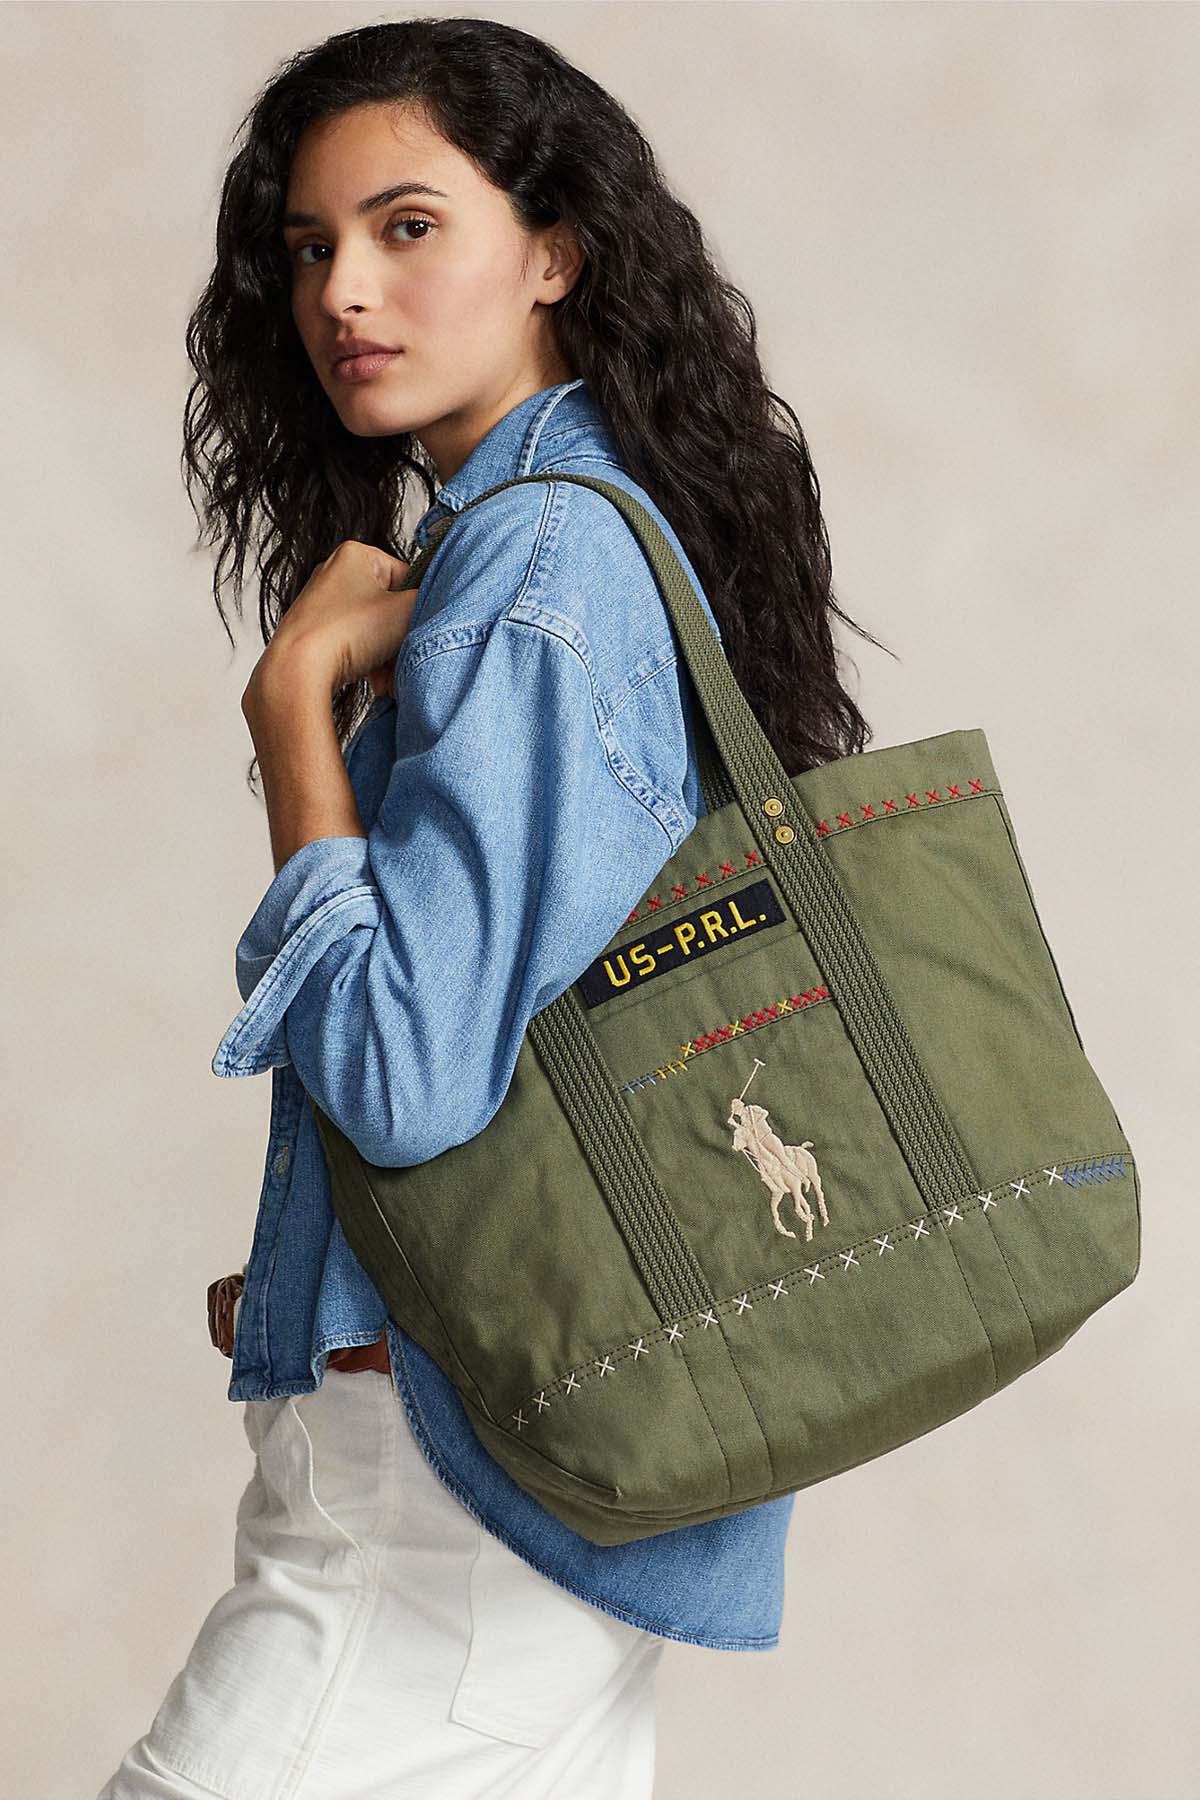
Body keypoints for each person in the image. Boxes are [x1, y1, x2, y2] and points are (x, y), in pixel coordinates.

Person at [97, 16, 888, 1798]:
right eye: (310, 247)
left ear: (554, 251)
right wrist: (324, 1261)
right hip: (529, 1476)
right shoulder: (581, 533)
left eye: (406, 227)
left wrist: (292, 713)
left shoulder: (539, 557)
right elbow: (536, 1027)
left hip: (434, 1516)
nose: (343, 293)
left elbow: (406, 1072)